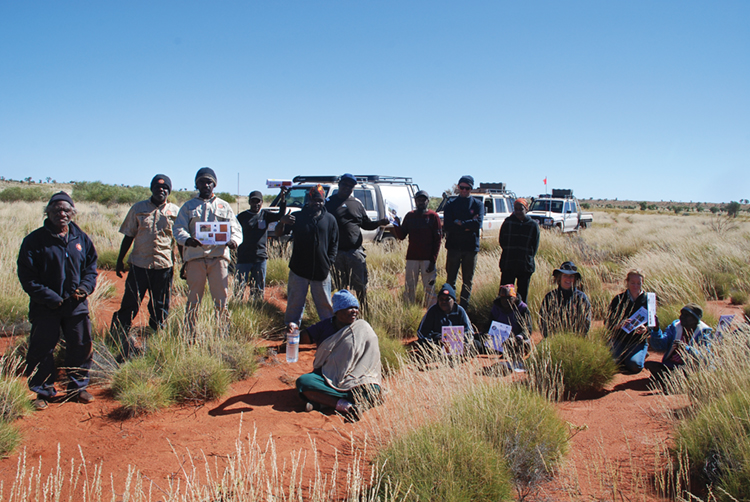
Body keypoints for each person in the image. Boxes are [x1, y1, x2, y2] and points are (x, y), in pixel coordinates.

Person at [17, 192, 98, 410]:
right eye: (56, 209)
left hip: (76, 305)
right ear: (48, 212)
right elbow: (27, 277)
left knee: (80, 345)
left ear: (73, 213)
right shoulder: (34, 241)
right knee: (42, 348)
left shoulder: (81, 239)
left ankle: (77, 387)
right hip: (46, 306)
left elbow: (91, 269)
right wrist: (50, 297)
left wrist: (84, 288)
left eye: (66, 210)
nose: (61, 213)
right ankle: (43, 391)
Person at [110, 175, 179, 357]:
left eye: (165, 188)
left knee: (160, 306)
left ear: (169, 191)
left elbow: (180, 240)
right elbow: (129, 235)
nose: (161, 190)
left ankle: (156, 342)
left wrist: (184, 263)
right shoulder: (138, 209)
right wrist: (119, 260)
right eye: (157, 187)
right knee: (130, 303)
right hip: (139, 265)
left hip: (164, 266)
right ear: (152, 189)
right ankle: (118, 338)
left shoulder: (175, 211)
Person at [173, 167, 242, 335]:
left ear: (214, 184)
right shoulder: (188, 207)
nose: (206, 185)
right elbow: (178, 229)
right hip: (195, 259)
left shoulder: (224, 206)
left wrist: (234, 241)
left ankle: (222, 332)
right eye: (202, 182)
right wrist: (187, 239)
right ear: (197, 184)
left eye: (209, 182)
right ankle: (189, 333)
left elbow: (236, 229)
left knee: (221, 299)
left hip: (218, 258)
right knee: (193, 299)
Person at [295, 289, 382, 419]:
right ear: (337, 311)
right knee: (304, 382)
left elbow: (371, 356)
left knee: (374, 389)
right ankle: (344, 405)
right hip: (327, 376)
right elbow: (303, 338)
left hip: (356, 378)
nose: (354, 311)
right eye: (349, 308)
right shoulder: (325, 326)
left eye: (355, 307)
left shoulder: (362, 327)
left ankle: (324, 403)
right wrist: (294, 332)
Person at [277, 185, 339, 327]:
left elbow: (334, 243)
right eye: (314, 200)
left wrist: (329, 262)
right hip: (299, 269)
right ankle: (291, 332)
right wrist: (282, 222)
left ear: (324, 201)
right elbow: (279, 233)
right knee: (295, 303)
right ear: (308, 200)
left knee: (325, 305)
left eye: (320, 200)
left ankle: (328, 334)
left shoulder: (330, 219)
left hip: (321, 270)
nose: (317, 203)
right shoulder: (297, 217)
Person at [325, 173, 389, 309]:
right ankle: (341, 311)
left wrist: (379, 222)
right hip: (336, 253)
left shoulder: (357, 204)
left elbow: (366, 224)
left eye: (350, 186)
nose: (347, 188)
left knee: (360, 285)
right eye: (344, 184)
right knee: (339, 286)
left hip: (355, 252)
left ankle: (363, 310)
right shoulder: (329, 202)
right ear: (339, 185)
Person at [392, 190, 442, 307]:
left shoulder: (433, 217)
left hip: (427, 259)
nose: (421, 202)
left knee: (429, 288)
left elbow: (437, 240)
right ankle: (409, 310)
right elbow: (401, 236)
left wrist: (433, 260)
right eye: (419, 199)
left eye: (423, 200)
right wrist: (396, 224)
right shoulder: (410, 216)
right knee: (410, 287)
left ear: (428, 201)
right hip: (412, 258)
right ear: (415, 201)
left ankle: (431, 312)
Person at [235, 188, 287, 301]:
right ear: (249, 202)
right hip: (244, 257)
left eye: (258, 201)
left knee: (258, 289)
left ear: (262, 202)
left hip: (260, 257)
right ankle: (237, 307)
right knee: (239, 287)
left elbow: (280, 215)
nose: (256, 204)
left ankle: (256, 307)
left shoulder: (265, 215)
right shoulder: (242, 217)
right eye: (253, 201)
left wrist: (283, 198)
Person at [442, 175, 484, 308]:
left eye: (467, 188)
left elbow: (478, 224)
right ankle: (450, 306)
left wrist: (459, 222)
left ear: (471, 188)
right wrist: (467, 225)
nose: (464, 190)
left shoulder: (478, 204)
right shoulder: (451, 204)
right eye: (462, 187)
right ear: (458, 187)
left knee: (467, 281)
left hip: (470, 248)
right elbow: (448, 225)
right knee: (450, 280)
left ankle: (464, 308)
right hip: (454, 247)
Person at [606, 269, 658, 374]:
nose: (635, 286)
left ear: (642, 283)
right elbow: (608, 323)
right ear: (627, 282)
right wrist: (619, 325)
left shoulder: (649, 299)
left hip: (637, 341)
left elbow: (654, 324)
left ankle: (639, 354)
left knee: (635, 366)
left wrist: (646, 329)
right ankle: (628, 355)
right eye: (632, 283)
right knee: (610, 364)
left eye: (639, 283)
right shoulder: (619, 299)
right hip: (619, 339)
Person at [646, 303, 713, 383]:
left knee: (688, 374)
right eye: (682, 314)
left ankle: (670, 379)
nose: (682, 317)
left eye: (686, 315)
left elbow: (705, 356)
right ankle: (670, 378)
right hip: (671, 365)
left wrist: (686, 349)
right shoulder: (675, 327)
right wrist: (656, 330)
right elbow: (660, 346)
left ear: (695, 319)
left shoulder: (704, 332)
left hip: (690, 368)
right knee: (650, 365)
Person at [498, 198, 540, 303]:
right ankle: (503, 317)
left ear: (526, 209)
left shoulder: (533, 225)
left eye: (520, 209)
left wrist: (526, 256)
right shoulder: (508, 222)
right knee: (504, 294)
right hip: (508, 263)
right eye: (516, 209)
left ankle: (520, 316)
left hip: (524, 265)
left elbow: (534, 246)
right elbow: (502, 241)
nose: (518, 211)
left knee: (522, 295)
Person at [474, 284, 532, 356]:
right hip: (497, 341)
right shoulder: (497, 307)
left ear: (514, 298)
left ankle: (511, 353)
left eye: (508, 299)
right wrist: (486, 334)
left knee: (522, 346)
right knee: (476, 343)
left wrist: (518, 337)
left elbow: (528, 329)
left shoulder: (522, 309)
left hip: (515, 340)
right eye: (503, 299)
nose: (505, 302)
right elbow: (490, 325)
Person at [538, 261, 592, 337]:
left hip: (576, 341)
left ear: (575, 279)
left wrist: (576, 338)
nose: (568, 279)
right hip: (553, 339)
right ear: (559, 277)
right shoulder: (550, 297)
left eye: (571, 276)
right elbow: (542, 320)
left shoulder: (581, 298)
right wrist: (550, 338)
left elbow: (586, 322)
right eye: (565, 275)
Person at [416, 283, 474, 352]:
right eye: (441, 299)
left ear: (453, 300)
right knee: (422, 344)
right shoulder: (433, 310)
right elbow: (421, 333)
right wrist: (438, 338)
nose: (444, 301)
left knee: (476, 344)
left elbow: (469, 332)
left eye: (447, 299)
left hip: (458, 345)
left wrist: (462, 340)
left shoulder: (460, 311)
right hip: (438, 345)